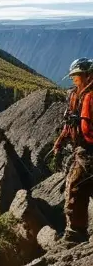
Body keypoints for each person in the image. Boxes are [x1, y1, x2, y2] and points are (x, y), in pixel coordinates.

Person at [53, 58, 93, 244]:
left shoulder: (90, 96)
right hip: (81, 149)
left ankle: (76, 233)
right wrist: (60, 142)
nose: (75, 81)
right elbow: (71, 123)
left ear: (88, 75)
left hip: (88, 151)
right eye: (74, 78)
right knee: (76, 185)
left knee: (75, 186)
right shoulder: (77, 96)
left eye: (78, 77)